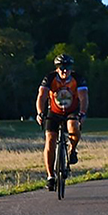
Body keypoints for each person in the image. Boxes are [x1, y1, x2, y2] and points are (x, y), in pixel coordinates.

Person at [37, 53, 87, 190]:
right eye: (61, 68)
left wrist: (82, 113)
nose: (64, 71)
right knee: (50, 140)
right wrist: (40, 113)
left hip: (72, 111)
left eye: (67, 68)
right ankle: (50, 176)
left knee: (73, 126)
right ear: (57, 69)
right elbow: (41, 96)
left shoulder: (78, 79)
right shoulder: (50, 78)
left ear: (71, 68)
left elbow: (83, 98)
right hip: (54, 112)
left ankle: (73, 149)